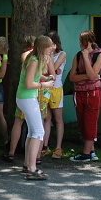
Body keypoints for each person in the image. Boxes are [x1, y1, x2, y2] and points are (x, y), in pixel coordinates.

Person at [16, 35, 55, 180]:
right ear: (43, 47)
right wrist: (44, 85)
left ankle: (28, 164)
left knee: (33, 131)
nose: (52, 48)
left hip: (26, 98)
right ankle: (32, 169)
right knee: (38, 131)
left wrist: (44, 78)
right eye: (49, 46)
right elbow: (28, 83)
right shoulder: (34, 60)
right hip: (27, 98)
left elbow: (33, 77)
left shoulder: (35, 59)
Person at [68, 31, 101, 162]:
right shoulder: (77, 56)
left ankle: (86, 153)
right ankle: (91, 150)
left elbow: (94, 75)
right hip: (79, 92)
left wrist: (86, 59)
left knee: (90, 121)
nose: (80, 44)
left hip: (93, 93)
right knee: (83, 122)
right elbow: (72, 77)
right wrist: (86, 76)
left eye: (81, 41)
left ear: (88, 42)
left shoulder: (99, 55)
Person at [4, 35, 36, 163]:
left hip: (27, 92)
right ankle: (35, 156)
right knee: (36, 125)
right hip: (33, 91)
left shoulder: (26, 55)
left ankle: (12, 152)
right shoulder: (34, 56)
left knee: (19, 121)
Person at [42, 31, 66, 159]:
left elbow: (52, 71)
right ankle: (45, 146)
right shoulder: (45, 55)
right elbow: (45, 71)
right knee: (47, 118)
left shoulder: (62, 54)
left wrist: (50, 57)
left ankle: (58, 147)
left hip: (56, 88)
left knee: (58, 118)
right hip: (46, 88)